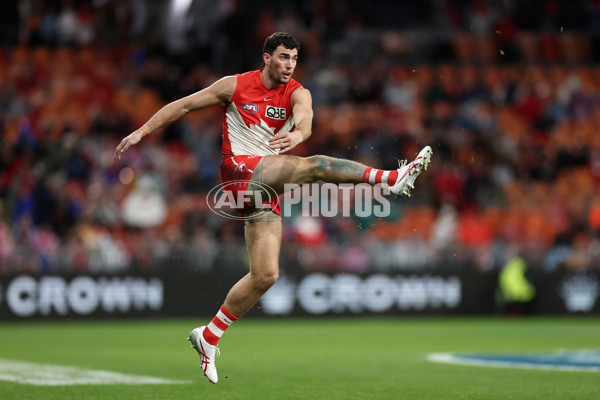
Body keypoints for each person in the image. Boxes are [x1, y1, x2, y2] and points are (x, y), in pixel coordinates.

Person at [114, 32, 432, 384]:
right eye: (283, 57)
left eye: (294, 58)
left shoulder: (298, 92)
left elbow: (306, 118)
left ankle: (209, 335)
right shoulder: (234, 85)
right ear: (266, 58)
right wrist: (141, 132)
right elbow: (185, 104)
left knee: (266, 275)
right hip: (239, 171)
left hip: (266, 181)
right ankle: (392, 179)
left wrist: (297, 135)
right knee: (314, 167)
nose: (289, 64)